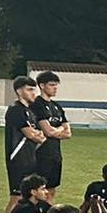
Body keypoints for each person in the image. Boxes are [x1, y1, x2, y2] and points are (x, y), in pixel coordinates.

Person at [4, 75, 46, 213]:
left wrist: (37, 135)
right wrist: (36, 135)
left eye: (34, 89)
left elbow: (40, 136)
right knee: (16, 197)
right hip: (18, 159)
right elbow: (31, 134)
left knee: (28, 197)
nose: (33, 93)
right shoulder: (16, 110)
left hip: (30, 158)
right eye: (29, 89)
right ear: (19, 91)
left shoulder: (30, 112)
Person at [30, 70, 72, 200]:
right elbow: (47, 131)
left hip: (56, 155)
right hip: (41, 154)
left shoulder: (57, 107)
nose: (55, 88)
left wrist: (55, 130)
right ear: (42, 86)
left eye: (56, 85)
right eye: (52, 85)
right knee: (39, 190)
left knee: (52, 190)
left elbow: (68, 133)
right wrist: (59, 129)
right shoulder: (37, 105)